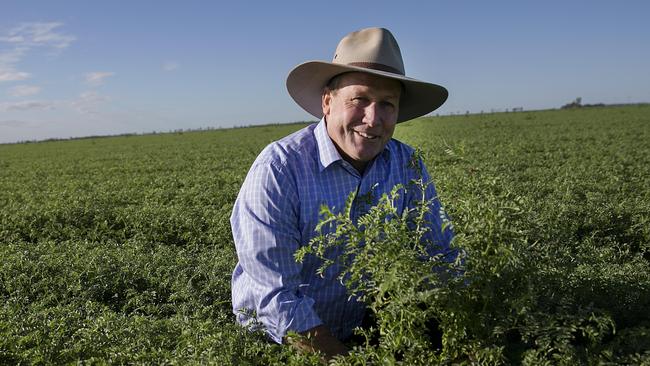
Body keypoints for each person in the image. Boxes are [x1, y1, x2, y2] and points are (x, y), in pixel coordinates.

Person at [230, 27, 454, 360]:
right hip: (280, 343)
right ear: (327, 102)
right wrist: (342, 359)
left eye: (387, 105)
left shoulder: (406, 164)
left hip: (366, 330)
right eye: (360, 100)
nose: (373, 119)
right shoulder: (280, 168)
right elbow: (276, 296)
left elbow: (440, 255)